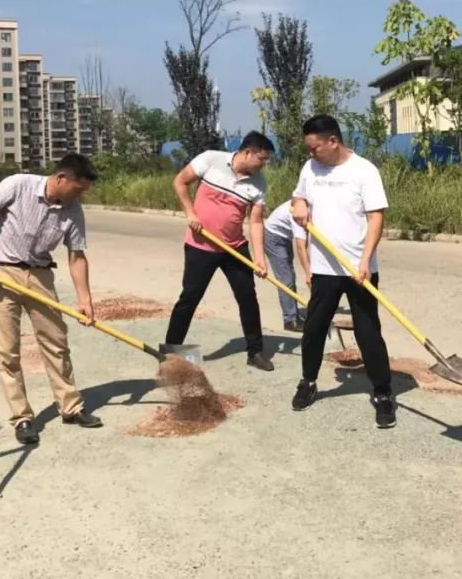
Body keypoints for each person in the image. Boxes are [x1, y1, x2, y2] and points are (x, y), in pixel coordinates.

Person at [0, 154, 102, 447]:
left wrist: (85, 299)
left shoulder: (73, 210)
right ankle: (22, 417)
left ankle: (71, 407)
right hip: (2, 273)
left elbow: (77, 256)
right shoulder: (19, 185)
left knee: (56, 342)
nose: (80, 195)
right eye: (78, 189)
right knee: (7, 351)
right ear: (61, 178)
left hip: (41, 277)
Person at [289, 115, 396, 429]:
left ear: (333, 141)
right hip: (324, 268)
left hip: (358, 269)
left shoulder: (364, 170)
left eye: (315, 148)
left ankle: (383, 393)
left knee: (367, 332)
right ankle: (308, 382)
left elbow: (376, 218)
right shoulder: (310, 168)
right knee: (314, 328)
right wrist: (298, 203)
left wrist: (365, 261)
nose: (311, 153)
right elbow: (299, 196)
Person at [164, 131, 276, 371]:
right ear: (248, 152)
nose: (264, 165)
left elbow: (256, 221)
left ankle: (255, 352)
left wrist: (259, 258)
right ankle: (171, 355)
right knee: (190, 297)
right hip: (201, 245)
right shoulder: (211, 159)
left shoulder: (258, 183)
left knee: (247, 297)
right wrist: (190, 213)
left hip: (234, 247)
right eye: (262, 159)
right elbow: (179, 182)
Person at [263, 200, 308, 332]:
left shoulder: (310, 205)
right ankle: (290, 320)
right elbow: (300, 247)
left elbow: (305, 239)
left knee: (290, 275)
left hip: (284, 237)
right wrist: (308, 273)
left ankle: (294, 313)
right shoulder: (297, 211)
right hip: (273, 237)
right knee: (286, 279)